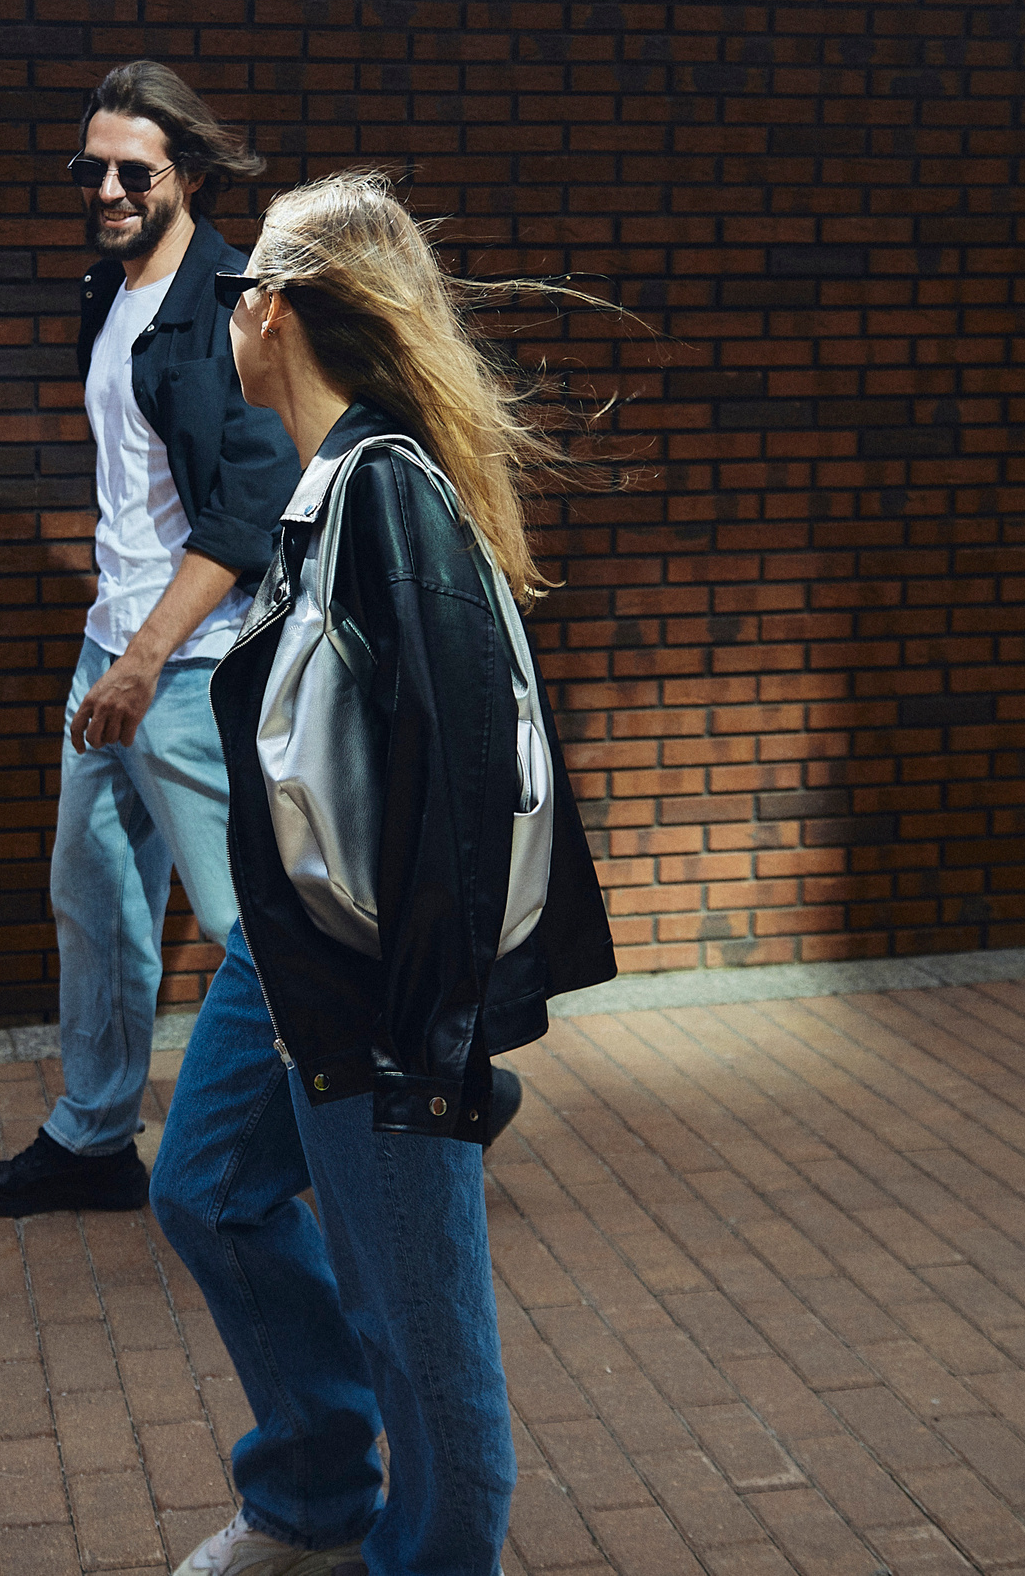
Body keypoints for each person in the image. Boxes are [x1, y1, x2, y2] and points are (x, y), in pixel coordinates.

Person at [151, 170, 618, 1576]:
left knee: (427, 1344)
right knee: (207, 1186)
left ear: (277, 312)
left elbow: (470, 788)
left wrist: (438, 1035)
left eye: (239, 291)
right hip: (287, 947)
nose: (227, 309)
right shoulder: (337, 481)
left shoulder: (388, 497)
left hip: (376, 982)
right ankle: (310, 1496)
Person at [0, 63, 298, 1218]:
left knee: (249, 924)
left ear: (187, 175)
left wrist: (149, 657)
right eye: (87, 167)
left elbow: (248, 510)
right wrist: (114, 652)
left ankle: (385, 1091)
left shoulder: (235, 304)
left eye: (129, 170)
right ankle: (96, 1135)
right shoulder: (104, 293)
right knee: (93, 898)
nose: (104, 187)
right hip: (108, 657)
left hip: (189, 668)